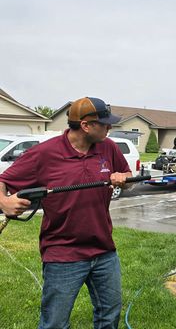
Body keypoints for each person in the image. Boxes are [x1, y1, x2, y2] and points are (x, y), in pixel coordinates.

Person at [0, 97, 132, 329]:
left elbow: (128, 175)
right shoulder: (44, 154)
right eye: (105, 124)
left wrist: (124, 179)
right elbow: (3, 180)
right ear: (85, 126)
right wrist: (4, 202)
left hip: (104, 250)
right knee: (55, 324)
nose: (110, 128)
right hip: (62, 254)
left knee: (109, 316)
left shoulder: (108, 147)